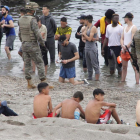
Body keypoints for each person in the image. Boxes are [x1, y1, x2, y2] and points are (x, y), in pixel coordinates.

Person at [18, 2, 49, 89]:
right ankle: (44, 83)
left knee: (27, 63)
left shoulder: (20, 19)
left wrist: (23, 41)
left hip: (24, 44)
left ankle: (29, 83)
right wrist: (43, 45)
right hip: (33, 44)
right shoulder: (32, 20)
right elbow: (37, 34)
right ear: (32, 10)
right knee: (40, 63)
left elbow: (19, 34)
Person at [121, 12, 139, 84]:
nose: (124, 19)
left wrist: (126, 46)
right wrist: (122, 45)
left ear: (127, 19)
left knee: (135, 67)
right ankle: (123, 81)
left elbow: (133, 39)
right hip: (124, 49)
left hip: (131, 50)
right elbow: (122, 38)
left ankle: (137, 83)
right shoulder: (124, 27)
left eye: (125, 18)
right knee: (124, 67)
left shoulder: (134, 27)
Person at [82, 15, 100, 81]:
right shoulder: (87, 27)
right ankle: (89, 78)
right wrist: (87, 36)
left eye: (85, 20)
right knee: (88, 64)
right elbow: (84, 37)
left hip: (92, 48)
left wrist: (85, 35)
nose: (84, 22)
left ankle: (97, 79)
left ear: (87, 20)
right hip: (86, 47)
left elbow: (89, 39)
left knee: (94, 64)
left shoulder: (93, 27)